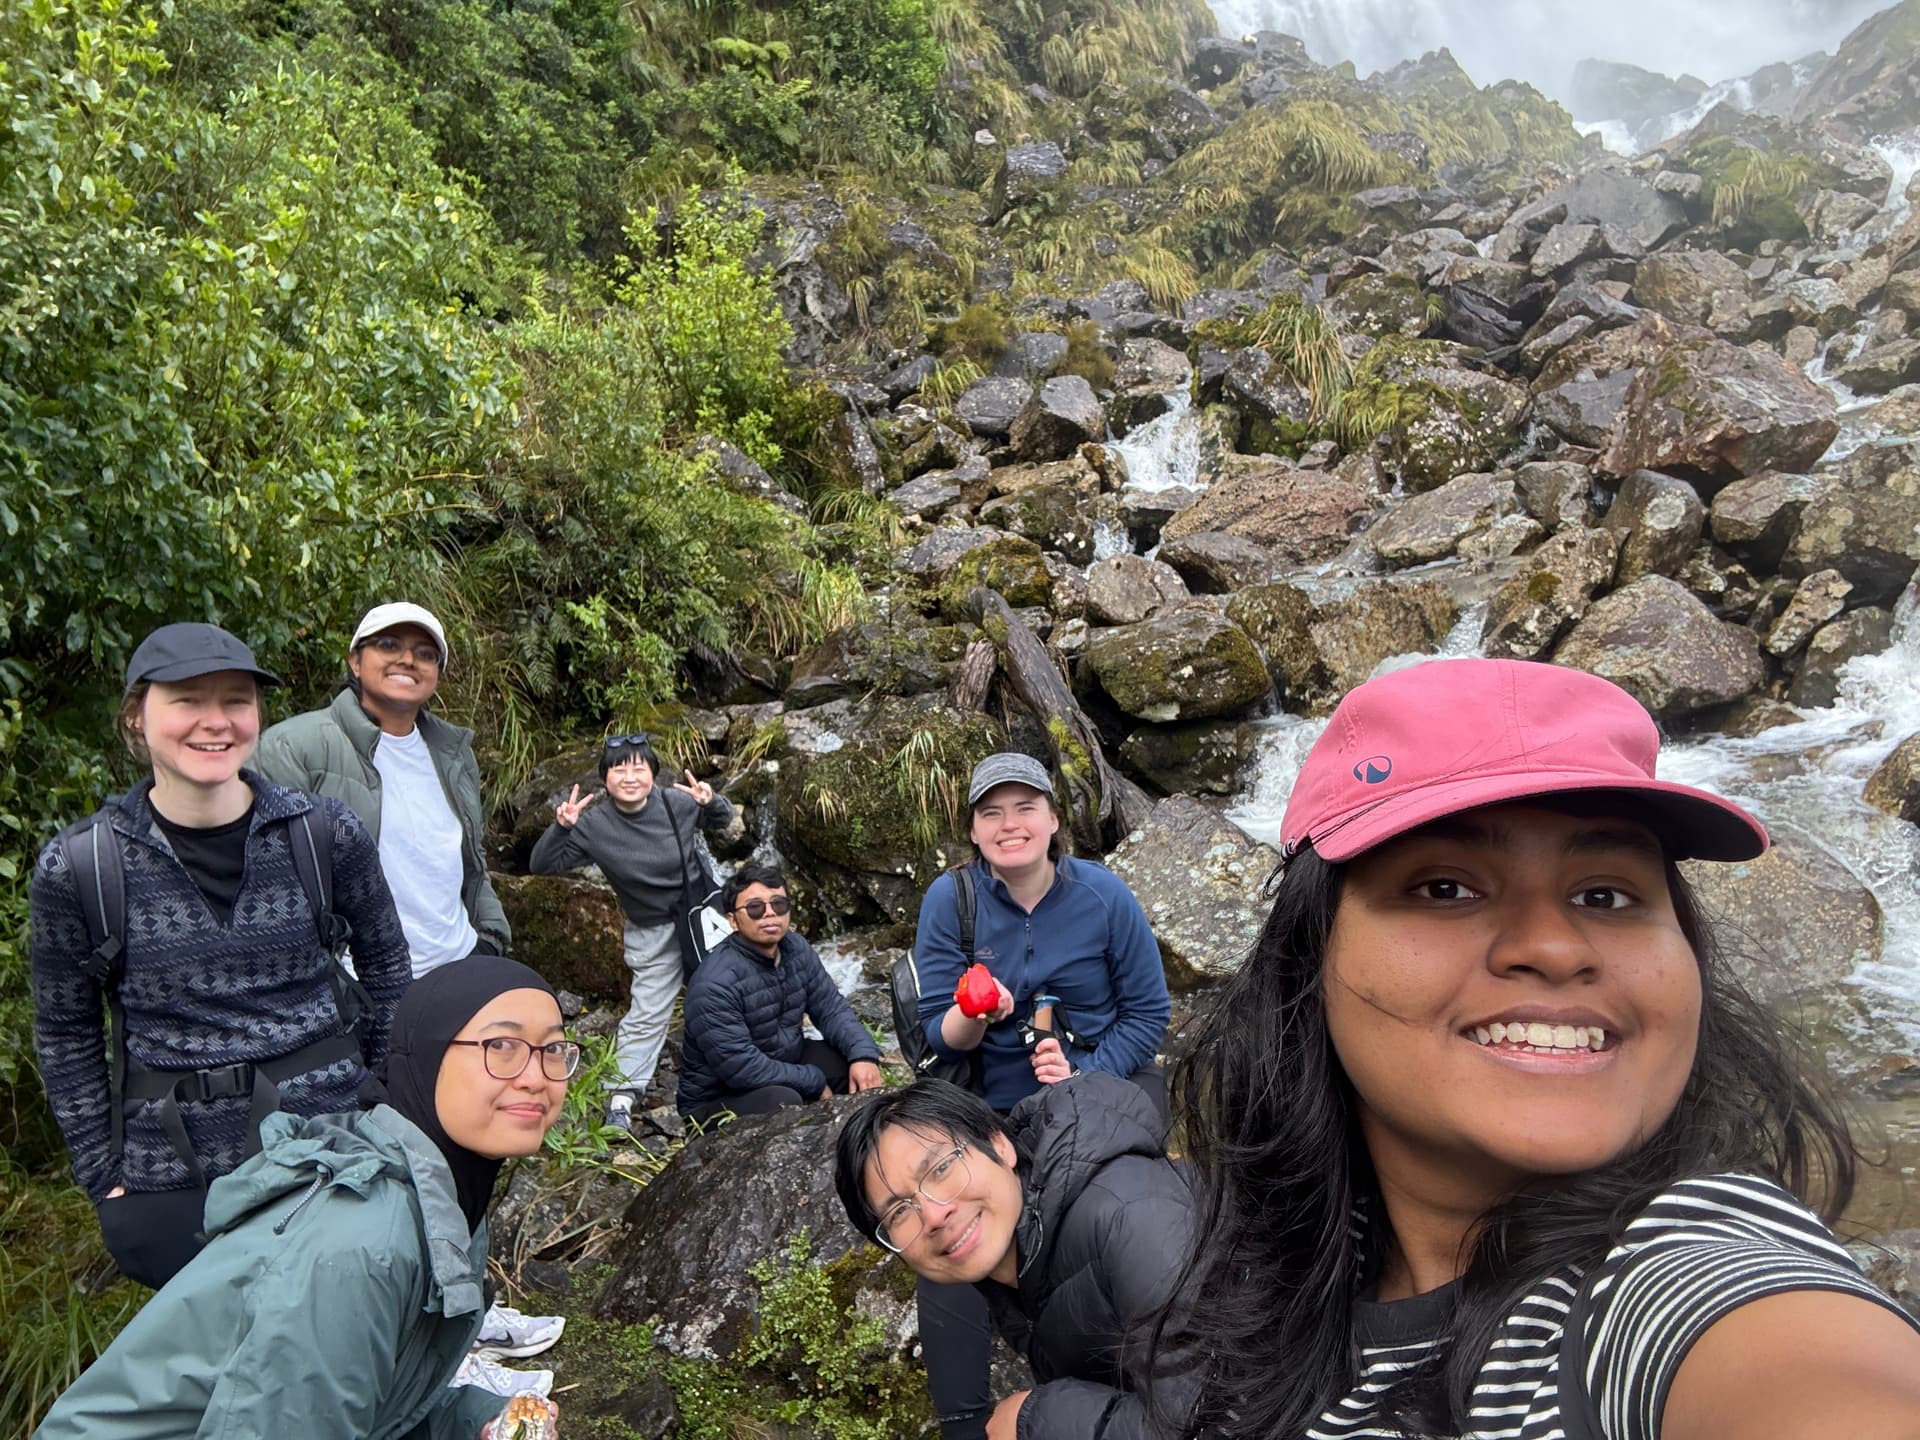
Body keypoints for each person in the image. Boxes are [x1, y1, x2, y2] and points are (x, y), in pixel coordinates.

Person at [1157, 657, 1920, 1440]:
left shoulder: (1684, 1284)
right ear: (1308, 958)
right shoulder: (1305, 1250)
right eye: (1445, 887)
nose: (1555, 946)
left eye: (1605, 894)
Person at [34, 955, 574, 1439]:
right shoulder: (363, 1242)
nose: (535, 1076)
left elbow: (373, 1399)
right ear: (427, 1057)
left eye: (552, 1050)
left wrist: (476, 1419)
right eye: (501, 1047)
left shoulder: (441, 1198)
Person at [29, 623, 413, 1289]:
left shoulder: (324, 834)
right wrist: (103, 1177)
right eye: (186, 700)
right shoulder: (82, 866)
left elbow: (387, 968)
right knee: (213, 1375)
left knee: (338, 1354)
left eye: (236, 700)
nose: (216, 721)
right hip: (169, 1178)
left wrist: (386, 1110)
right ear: (136, 717)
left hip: (333, 1154)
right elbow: (65, 1029)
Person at [908, 751, 1172, 1440]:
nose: (1009, 824)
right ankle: (966, 1423)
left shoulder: (1104, 896)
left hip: (1096, 1095)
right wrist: (976, 1009)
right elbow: (940, 1032)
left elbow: (1149, 1013)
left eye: (1025, 807)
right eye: (991, 813)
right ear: (973, 831)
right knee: (949, 1232)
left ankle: (1126, 1381)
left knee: (1096, 1211)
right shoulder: (952, 900)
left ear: (1054, 821)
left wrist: (1090, 1070)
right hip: (992, 1109)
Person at [835, 1075, 1201, 1440]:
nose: (933, 1215)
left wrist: (1037, 1420)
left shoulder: (1130, 1220)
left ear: (1000, 1144)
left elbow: (1217, 1421)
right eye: (899, 1211)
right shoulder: (1014, 1268)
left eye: (941, 1168)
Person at [254, 601, 511, 975]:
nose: (408, 659)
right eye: (389, 645)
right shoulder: (293, 747)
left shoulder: (454, 754)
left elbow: (472, 863)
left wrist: (489, 939)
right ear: (355, 662)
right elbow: (269, 882)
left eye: (426, 654)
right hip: (358, 983)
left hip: (459, 969)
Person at [529, 732, 733, 1128]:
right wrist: (562, 828)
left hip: (701, 918)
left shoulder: (676, 802)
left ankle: (753, 1063)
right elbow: (542, 865)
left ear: (653, 773)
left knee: (732, 988)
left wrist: (712, 800)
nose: (629, 776)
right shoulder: (594, 825)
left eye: (639, 766)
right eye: (619, 768)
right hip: (651, 931)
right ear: (604, 778)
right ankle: (621, 1096)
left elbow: (722, 821)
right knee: (647, 1012)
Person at [678, 864, 884, 1124]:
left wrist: (863, 1054)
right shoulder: (714, 983)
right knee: (783, 1101)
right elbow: (741, 1068)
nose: (769, 914)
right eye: (755, 908)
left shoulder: (795, 948)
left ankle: (861, 1139)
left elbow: (831, 1008)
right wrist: (813, 1081)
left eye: (779, 904)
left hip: (784, 1056)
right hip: (716, 1097)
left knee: (852, 1066)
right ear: (732, 920)